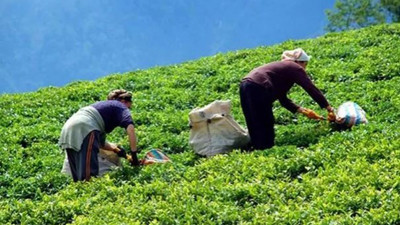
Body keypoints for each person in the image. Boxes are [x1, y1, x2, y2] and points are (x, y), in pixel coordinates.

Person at [239, 48, 336, 150]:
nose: (305, 68)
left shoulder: (284, 69)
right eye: (305, 64)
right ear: (299, 62)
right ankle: (266, 148)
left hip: (245, 84)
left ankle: (257, 147)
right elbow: (310, 88)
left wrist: (303, 111)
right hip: (259, 86)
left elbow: (282, 98)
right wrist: (328, 107)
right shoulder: (294, 67)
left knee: (253, 118)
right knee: (266, 120)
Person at [58, 89, 140, 182]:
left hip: (68, 128)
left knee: (77, 174)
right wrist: (134, 156)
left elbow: (101, 143)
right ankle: (89, 190)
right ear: (124, 101)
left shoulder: (100, 111)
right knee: (89, 175)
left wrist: (117, 150)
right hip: (86, 127)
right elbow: (131, 129)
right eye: (129, 107)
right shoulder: (120, 106)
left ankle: (80, 192)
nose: (128, 110)